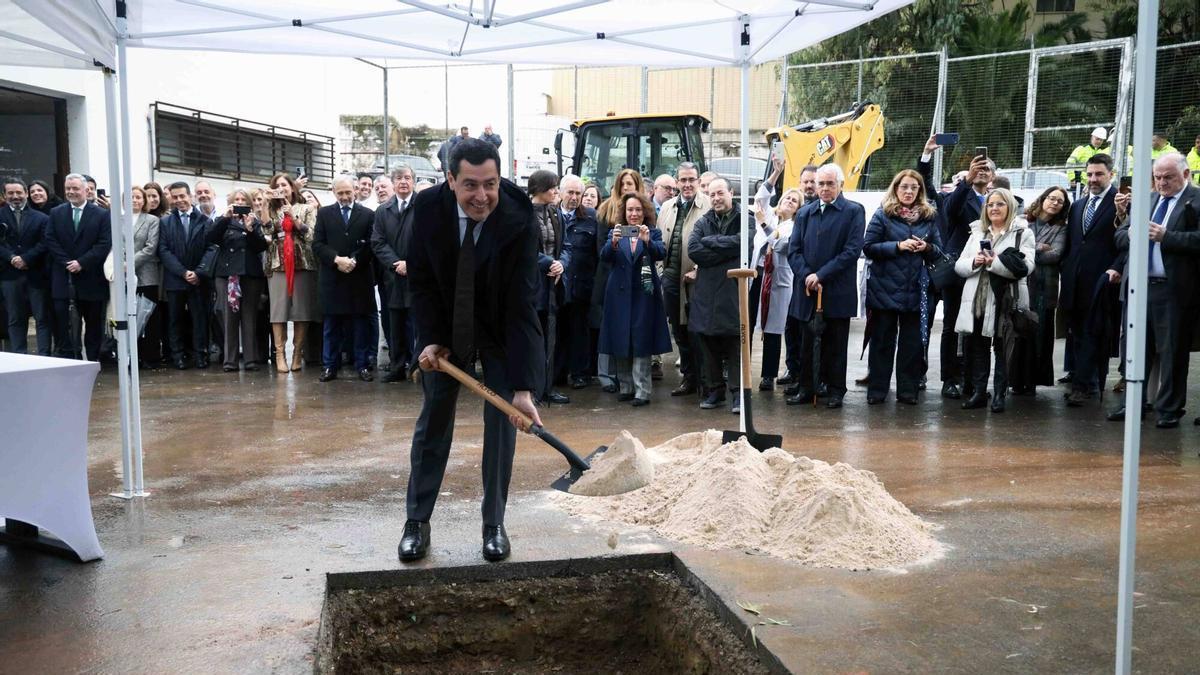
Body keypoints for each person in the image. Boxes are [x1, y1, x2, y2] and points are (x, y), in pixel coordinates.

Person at [399, 138, 544, 564]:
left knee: (502, 423)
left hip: (498, 328)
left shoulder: (519, 217)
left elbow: (522, 304)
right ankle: (416, 521)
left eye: (491, 184)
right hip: (445, 327)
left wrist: (522, 387)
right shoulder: (426, 210)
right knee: (433, 421)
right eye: (470, 186)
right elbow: (421, 283)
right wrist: (428, 338)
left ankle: (494, 524)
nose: (482, 196)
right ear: (449, 180)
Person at [1111, 153, 1199, 428]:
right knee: (1134, 350)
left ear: (1185, 175)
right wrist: (1132, 235)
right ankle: (1134, 403)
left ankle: (1170, 409)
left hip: (1173, 291)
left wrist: (1166, 237)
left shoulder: (1196, 200)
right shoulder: (1147, 200)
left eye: (1168, 177)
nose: (1161, 183)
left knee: (1172, 350)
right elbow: (1119, 235)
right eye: (1157, 177)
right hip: (1138, 288)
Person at [786, 164, 866, 408]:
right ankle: (806, 387)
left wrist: (821, 275)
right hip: (807, 290)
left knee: (835, 344)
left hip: (836, 290)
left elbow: (851, 251)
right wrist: (807, 274)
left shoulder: (853, 211)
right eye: (820, 184)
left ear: (840, 185)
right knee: (806, 343)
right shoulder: (805, 213)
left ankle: (835, 390)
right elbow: (793, 250)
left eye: (830, 184)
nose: (824, 188)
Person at [862, 169, 941, 405]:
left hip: (917, 291)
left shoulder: (929, 217)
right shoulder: (882, 214)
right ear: (896, 188)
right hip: (884, 289)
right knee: (882, 343)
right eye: (904, 187)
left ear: (920, 191)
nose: (908, 191)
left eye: (913, 188)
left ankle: (908, 392)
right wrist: (897, 246)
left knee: (912, 346)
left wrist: (926, 248)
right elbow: (868, 247)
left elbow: (939, 251)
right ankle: (877, 391)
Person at [954, 188, 1035, 413]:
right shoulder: (977, 231)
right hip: (977, 299)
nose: (994, 208)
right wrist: (975, 262)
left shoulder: (1022, 233)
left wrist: (993, 262)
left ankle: (1000, 394)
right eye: (990, 205)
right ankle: (980, 393)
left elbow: (1027, 267)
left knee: (1002, 348)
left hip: (1006, 301)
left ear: (1009, 207)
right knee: (978, 347)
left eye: (1000, 204)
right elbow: (959, 266)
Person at [931, 148, 995, 400]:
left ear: (993, 176)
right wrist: (967, 181)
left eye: (986, 169)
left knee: (978, 328)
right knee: (951, 326)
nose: (982, 171)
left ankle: (972, 380)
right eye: (977, 167)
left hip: (986, 272)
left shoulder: (996, 199)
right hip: (958, 269)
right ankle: (950, 379)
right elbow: (949, 212)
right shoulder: (960, 194)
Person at [599, 192, 671, 406]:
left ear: (645, 212)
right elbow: (604, 257)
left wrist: (647, 241)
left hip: (644, 294)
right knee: (621, 340)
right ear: (624, 212)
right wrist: (612, 243)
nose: (634, 214)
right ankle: (626, 387)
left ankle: (642, 391)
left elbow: (661, 253)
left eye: (638, 210)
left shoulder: (654, 232)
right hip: (619, 295)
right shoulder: (616, 232)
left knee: (641, 341)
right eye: (630, 209)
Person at [1060, 154, 1120, 407]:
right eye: (1090, 174)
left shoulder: (1121, 203)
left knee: (1094, 332)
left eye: (1099, 174)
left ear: (1111, 175)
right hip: (1075, 281)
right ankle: (1083, 379)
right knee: (1077, 332)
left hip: (1103, 281)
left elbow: (1125, 242)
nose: (1093, 179)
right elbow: (1074, 242)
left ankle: (1084, 386)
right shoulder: (1078, 205)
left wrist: (1116, 269)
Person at [313, 176, 378, 382]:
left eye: (348, 192)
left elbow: (371, 244)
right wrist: (336, 259)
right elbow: (317, 244)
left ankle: (363, 365)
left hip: (358, 277)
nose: (344, 196)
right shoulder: (324, 213)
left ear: (355, 190)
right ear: (334, 193)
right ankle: (329, 366)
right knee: (331, 325)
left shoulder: (368, 214)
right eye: (340, 193)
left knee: (360, 324)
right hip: (333, 277)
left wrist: (354, 260)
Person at [688, 177, 743, 413]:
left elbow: (745, 243)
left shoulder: (745, 218)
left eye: (720, 193)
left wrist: (712, 242)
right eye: (711, 195)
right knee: (707, 341)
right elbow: (694, 251)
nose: (716, 199)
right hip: (707, 293)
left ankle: (738, 393)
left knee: (734, 344)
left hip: (733, 291)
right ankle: (715, 391)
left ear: (731, 192)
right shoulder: (703, 221)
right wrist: (726, 251)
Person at [44, 173, 111, 361]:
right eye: (68, 189)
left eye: (75, 188)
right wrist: (67, 262)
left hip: (92, 278)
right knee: (65, 325)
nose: (71, 192)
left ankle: (92, 360)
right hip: (64, 278)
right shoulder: (56, 213)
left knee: (93, 325)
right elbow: (50, 239)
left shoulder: (102, 215)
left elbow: (104, 244)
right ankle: (70, 359)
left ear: (86, 190)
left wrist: (82, 262)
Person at [1009, 187, 1069, 394]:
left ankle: (1032, 381)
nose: (1054, 203)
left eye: (1060, 201)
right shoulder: (1024, 221)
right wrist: (1038, 248)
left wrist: (1029, 251)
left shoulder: (1062, 227)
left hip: (1045, 288)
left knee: (1040, 334)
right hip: (1023, 284)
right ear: (1043, 199)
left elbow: (1056, 255)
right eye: (1051, 198)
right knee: (1019, 331)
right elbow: (1014, 250)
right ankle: (1015, 380)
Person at [591, 169, 646, 394]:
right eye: (623, 184)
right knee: (608, 327)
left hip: (636, 281)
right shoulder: (605, 210)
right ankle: (606, 376)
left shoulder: (643, 211)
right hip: (609, 277)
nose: (627, 188)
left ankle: (631, 380)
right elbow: (601, 250)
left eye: (631, 184)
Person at [659, 162, 711, 397]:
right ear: (677, 182)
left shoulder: (708, 206)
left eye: (692, 179)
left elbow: (714, 242)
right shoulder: (667, 207)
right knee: (679, 331)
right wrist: (660, 272)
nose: (687, 184)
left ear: (699, 181)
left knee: (697, 331)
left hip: (697, 280)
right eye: (683, 180)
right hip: (671, 278)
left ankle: (705, 380)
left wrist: (700, 269)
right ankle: (689, 379)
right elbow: (660, 242)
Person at [751, 162, 801, 391]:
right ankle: (742, 369)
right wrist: (776, 173)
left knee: (773, 329)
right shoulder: (769, 215)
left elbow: (780, 244)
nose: (788, 202)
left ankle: (768, 375)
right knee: (748, 322)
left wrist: (762, 222)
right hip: (755, 274)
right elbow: (760, 200)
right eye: (786, 198)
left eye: (794, 200)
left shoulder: (794, 226)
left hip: (777, 279)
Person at [261, 173, 318, 373]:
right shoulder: (271, 209)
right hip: (278, 263)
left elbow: (310, 235)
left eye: (284, 185)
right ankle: (279, 355)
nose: (281, 189)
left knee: (302, 311)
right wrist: (265, 205)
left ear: (292, 187)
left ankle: (297, 354)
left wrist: (293, 218)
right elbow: (266, 232)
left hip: (302, 262)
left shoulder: (307, 208)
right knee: (278, 311)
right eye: (277, 186)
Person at [207, 188, 267, 372]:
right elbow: (210, 238)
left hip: (250, 274)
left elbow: (260, 246)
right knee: (229, 318)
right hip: (227, 275)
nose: (239, 203)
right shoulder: (222, 220)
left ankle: (250, 359)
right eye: (236, 200)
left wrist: (250, 230)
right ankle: (230, 361)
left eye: (243, 200)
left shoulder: (254, 221)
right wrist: (225, 219)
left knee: (249, 317)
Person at [157, 182, 214, 369]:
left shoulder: (205, 220)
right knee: (175, 319)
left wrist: (198, 272)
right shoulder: (165, 222)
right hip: (175, 279)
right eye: (175, 197)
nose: (179, 200)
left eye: (182, 196)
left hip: (199, 280)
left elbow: (211, 248)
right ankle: (178, 356)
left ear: (190, 196)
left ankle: (200, 354)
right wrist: (183, 272)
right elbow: (163, 250)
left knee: (200, 319)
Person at [526, 170, 571, 405]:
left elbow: (566, 245)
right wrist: (548, 263)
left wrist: (561, 263)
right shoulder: (524, 215)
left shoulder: (556, 213)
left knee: (552, 338)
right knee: (534, 339)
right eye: (552, 187)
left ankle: (548, 388)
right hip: (533, 286)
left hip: (554, 284)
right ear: (540, 189)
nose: (556, 191)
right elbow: (523, 251)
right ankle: (532, 389)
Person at [372, 165, 417, 382]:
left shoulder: (423, 206)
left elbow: (429, 240)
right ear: (393, 182)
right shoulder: (383, 210)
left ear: (413, 181)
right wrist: (395, 263)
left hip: (417, 274)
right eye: (399, 178)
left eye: (407, 178)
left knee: (418, 324)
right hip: (393, 275)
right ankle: (397, 366)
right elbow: (377, 241)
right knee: (395, 323)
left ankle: (419, 367)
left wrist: (411, 262)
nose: (403, 182)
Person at [554, 175, 598, 389]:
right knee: (558, 330)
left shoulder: (591, 218)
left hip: (582, 284)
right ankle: (558, 373)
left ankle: (580, 373)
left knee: (580, 331)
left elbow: (597, 252)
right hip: (557, 285)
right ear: (560, 192)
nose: (573, 197)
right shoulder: (551, 216)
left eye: (577, 194)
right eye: (570, 192)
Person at [1, 177, 52, 355]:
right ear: (4, 195)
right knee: (15, 319)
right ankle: (19, 357)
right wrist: (12, 258)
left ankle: (44, 357)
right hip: (9, 275)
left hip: (36, 274)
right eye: (11, 193)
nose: (15, 196)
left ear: (25, 194)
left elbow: (45, 242)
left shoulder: (42, 218)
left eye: (19, 192)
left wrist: (26, 259)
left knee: (42, 318)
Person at [128, 186, 163, 367]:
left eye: (138, 197)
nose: (134, 200)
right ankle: (131, 356)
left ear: (144, 201)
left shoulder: (152, 220)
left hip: (146, 274)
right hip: (124, 275)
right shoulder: (118, 219)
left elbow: (151, 247)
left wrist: (130, 263)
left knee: (148, 316)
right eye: (131, 197)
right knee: (130, 317)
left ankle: (150, 357)